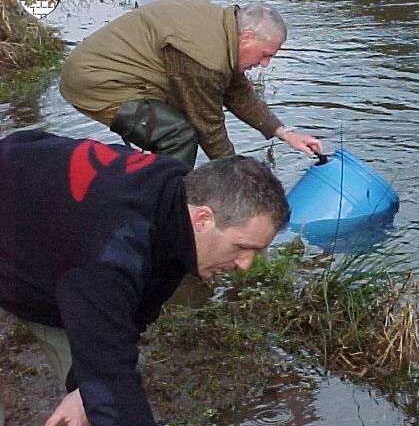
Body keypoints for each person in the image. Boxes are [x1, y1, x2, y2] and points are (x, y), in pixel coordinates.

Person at [0, 129, 290, 425]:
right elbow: (112, 380)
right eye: (241, 247)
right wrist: (97, 384)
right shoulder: (112, 253)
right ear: (204, 219)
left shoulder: (179, 197)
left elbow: (134, 312)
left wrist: (83, 386)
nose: (245, 264)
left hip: (48, 228)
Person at [59, 0, 323, 167]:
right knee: (178, 135)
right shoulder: (205, 57)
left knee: (175, 125)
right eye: (265, 55)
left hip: (115, 72)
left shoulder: (224, 29)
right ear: (246, 37)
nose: (265, 64)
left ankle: (154, 187)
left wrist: (284, 133)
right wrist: (238, 178)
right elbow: (209, 128)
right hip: (95, 82)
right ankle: (165, 210)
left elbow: (238, 92)